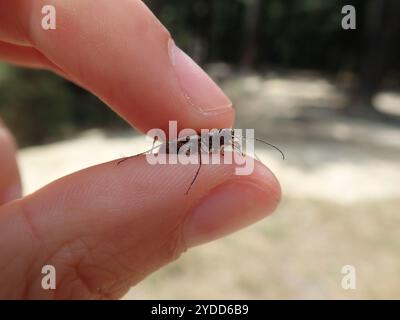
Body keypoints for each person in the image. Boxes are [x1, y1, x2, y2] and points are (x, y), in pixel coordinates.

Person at [0, 0, 280, 299]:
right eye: (228, 140)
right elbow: (200, 149)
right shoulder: (210, 139)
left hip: (178, 145)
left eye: (229, 140)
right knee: (180, 154)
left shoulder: (217, 139)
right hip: (178, 147)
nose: (230, 141)